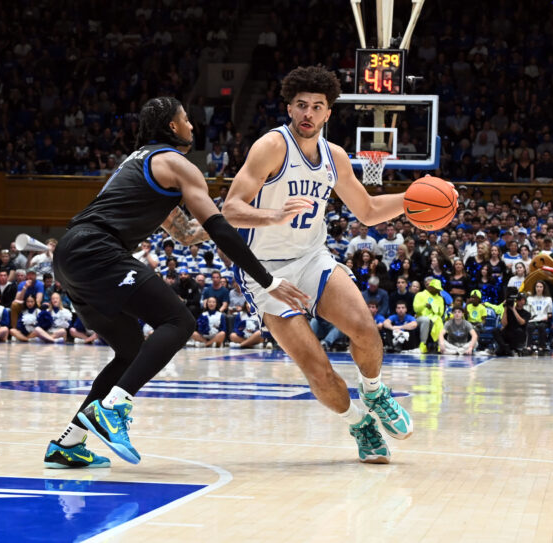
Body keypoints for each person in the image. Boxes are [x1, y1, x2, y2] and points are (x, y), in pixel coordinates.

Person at [46, 96, 308, 469]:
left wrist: (266, 219)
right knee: (180, 321)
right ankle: (114, 408)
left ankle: (68, 444)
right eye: (186, 119)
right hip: (98, 250)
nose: (191, 125)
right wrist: (267, 280)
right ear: (172, 127)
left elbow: (187, 233)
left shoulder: (141, 165)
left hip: (71, 254)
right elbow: (217, 229)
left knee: (130, 349)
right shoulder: (178, 164)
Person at [223, 67, 425, 463]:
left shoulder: (335, 157)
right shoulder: (271, 147)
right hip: (265, 272)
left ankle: (375, 391)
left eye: (317, 107)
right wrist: (270, 216)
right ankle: (359, 423)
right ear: (289, 108)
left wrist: (415, 196)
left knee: (365, 328)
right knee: (318, 369)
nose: (308, 114)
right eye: (301, 105)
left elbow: (366, 210)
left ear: (328, 113)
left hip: (312, 257)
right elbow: (229, 209)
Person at [413, 278, 446, 354]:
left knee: (439, 321)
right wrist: (424, 305)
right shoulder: (420, 294)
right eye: (436, 289)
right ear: (430, 287)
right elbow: (416, 309)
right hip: (420, 318)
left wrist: (433, 307)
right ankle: (423, 344)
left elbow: (441, 313)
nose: (438, 291)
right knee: (425, 320)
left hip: (435, 318)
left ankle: (439, 345)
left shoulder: (440, 298)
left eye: (439, 289)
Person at [526, 280, 552, 353]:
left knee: (542, 327)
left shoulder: (548, 299)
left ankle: (541, 347)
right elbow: (528, 311)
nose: (539, 288)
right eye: (537, 286)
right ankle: (528, 347)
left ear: (544, 288)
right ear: (535, 288)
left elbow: (550, 313)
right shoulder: (530, 299)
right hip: (533, 320)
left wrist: (547, 317)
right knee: (529, 327)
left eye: (541, 287)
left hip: (543, 320)